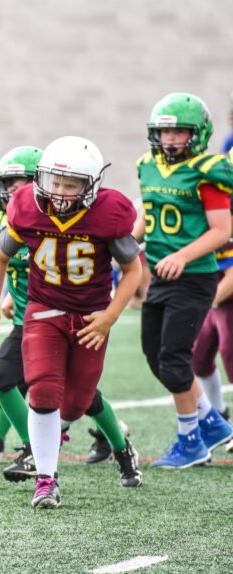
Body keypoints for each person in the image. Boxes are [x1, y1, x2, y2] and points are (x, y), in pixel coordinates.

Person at [0, 146, 140, 488]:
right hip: (38, 313)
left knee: (77, 400)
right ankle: (34, 456)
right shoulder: (12, 214)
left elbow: (132, 267)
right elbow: (2, 260)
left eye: (19, 183)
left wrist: (110, 315)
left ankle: (117, 444)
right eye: (8, 184)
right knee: (19, 381)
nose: (13, 191)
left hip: (84, 313)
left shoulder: (103, 213)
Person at [135, 93, 233, 468]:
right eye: (165, 132)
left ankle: (191, 440)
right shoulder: (147, 165)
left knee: (175, 359)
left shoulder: (209, 170)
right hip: (161, 274)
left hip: (194, 277)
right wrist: (129, 242)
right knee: (154, 355)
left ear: (199, 133)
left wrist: (182, 255)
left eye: (180, 131)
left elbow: (221, 230)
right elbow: (150, 213)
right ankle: (212, 421)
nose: (171, 139)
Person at [191, 239, 233, 425]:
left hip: (226, 301)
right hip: (213, 302)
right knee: (199, 358)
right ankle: (219, 417)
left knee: (230, 353)